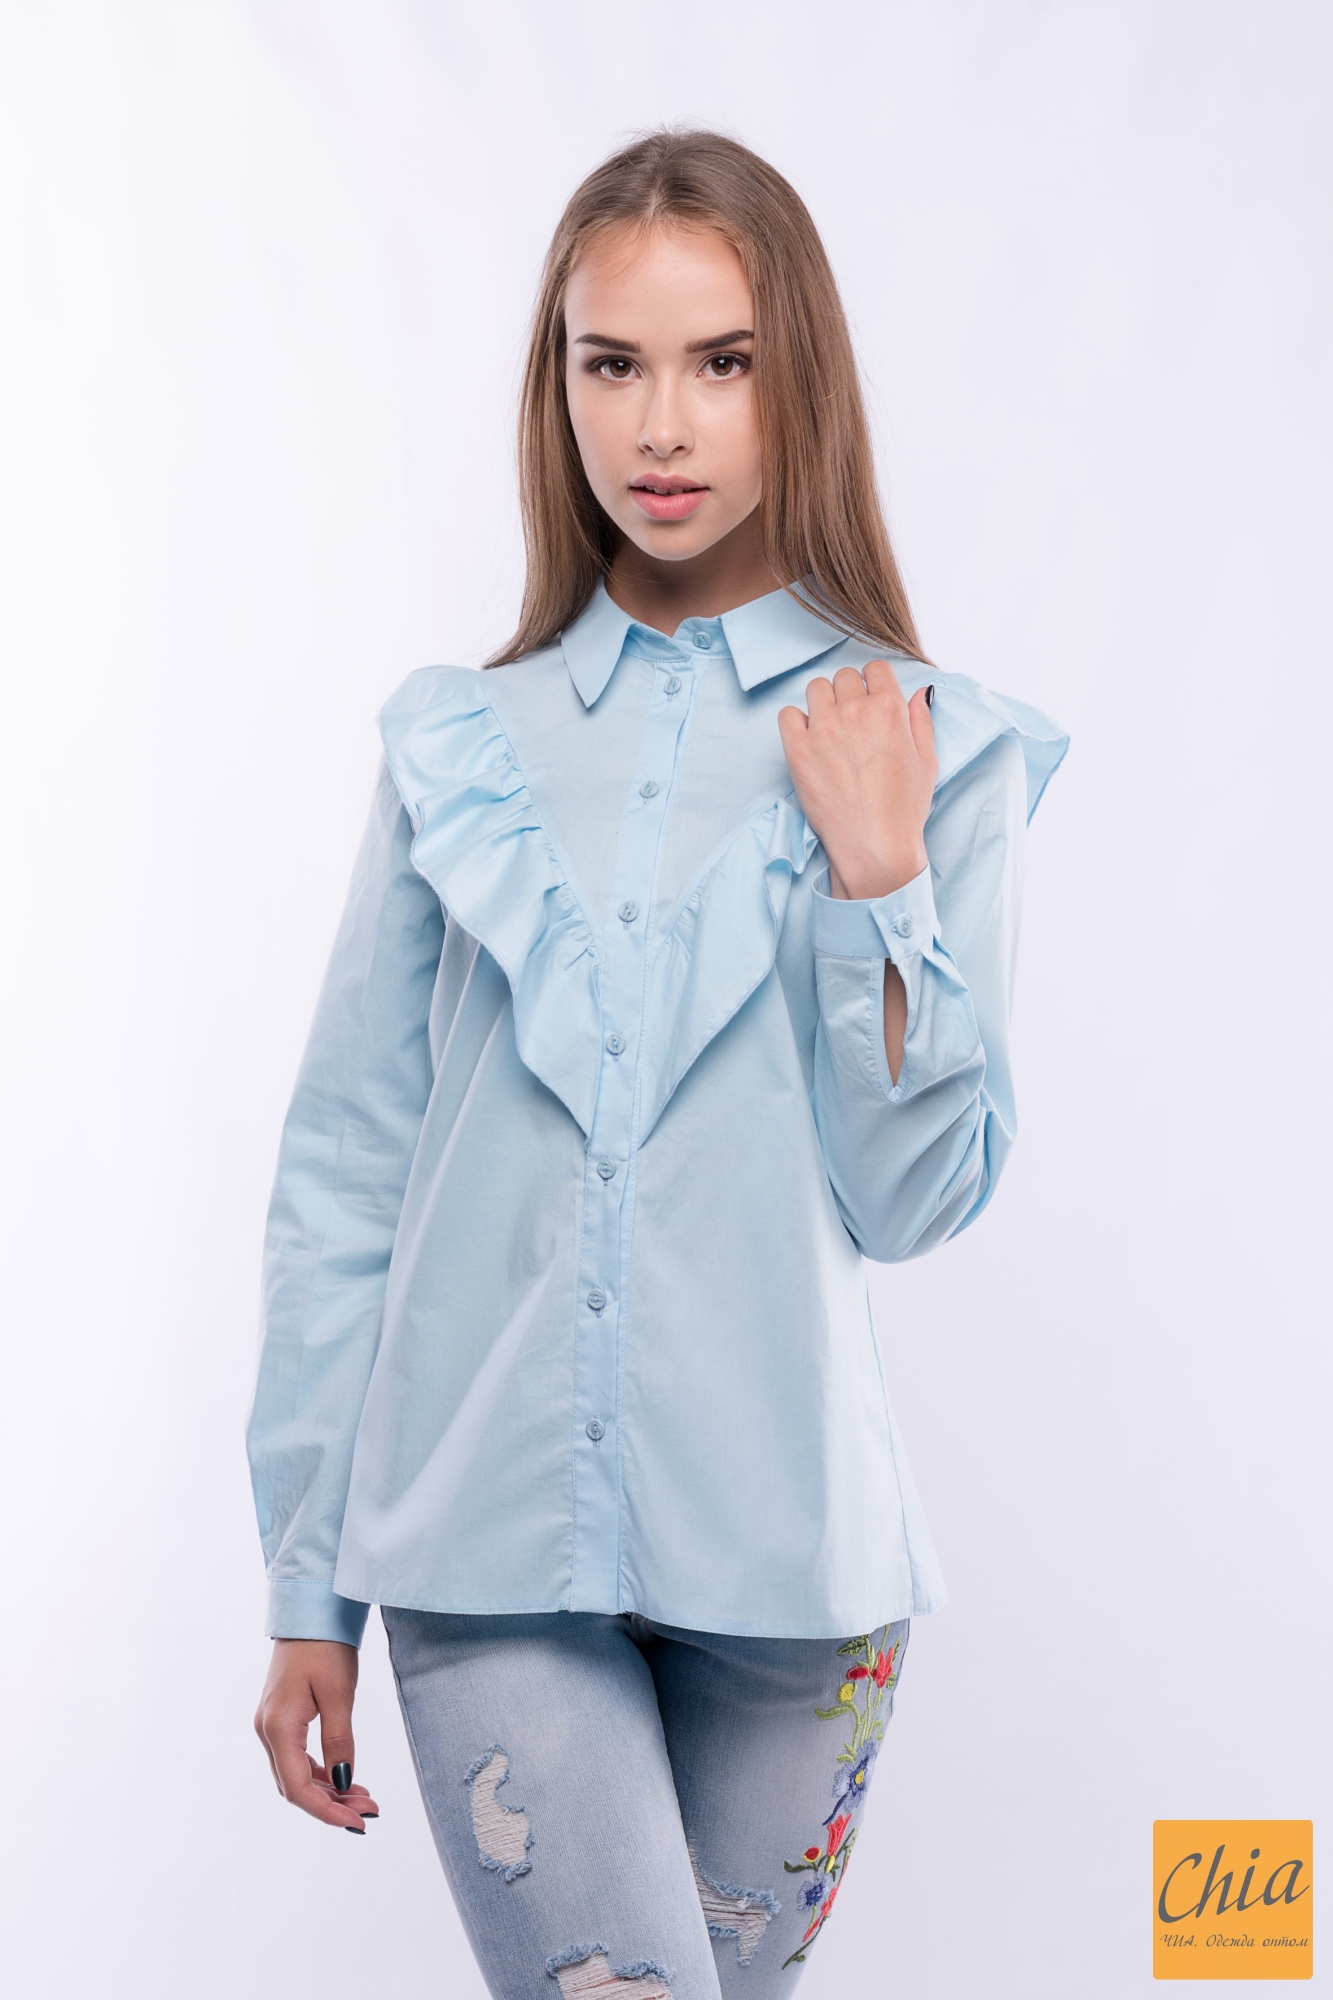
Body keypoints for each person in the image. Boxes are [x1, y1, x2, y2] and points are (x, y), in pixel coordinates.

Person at [248, 129, 1066, 2000]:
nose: (661, 425)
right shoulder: (460, 745)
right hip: (479, 1549)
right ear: (558, 385)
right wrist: (308, 1578)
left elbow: (913, 1198)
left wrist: (880, 879)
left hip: (804, 1580)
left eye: (723, 362)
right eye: (611, 363)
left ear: (801, 379)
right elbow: (349, 1168)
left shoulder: (934, 748)